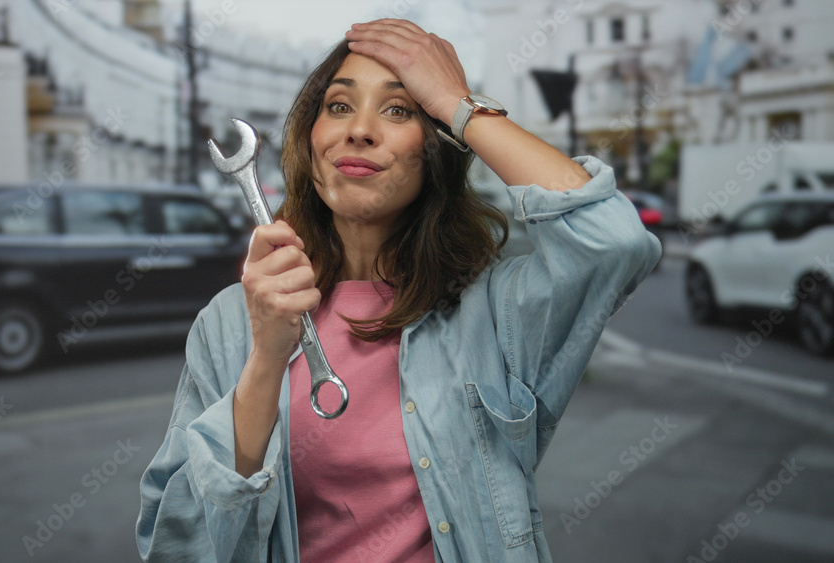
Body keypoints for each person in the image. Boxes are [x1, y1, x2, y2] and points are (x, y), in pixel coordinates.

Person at [136, 19, 661, 563]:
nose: (359, 131)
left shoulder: (495, 312)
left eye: (399, 110)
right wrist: (267, 358)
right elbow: (179, 545)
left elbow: (615, 243)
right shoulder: (228, 323)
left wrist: (460, 104)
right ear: (309, 139)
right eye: (339, 106)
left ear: (435, 147)